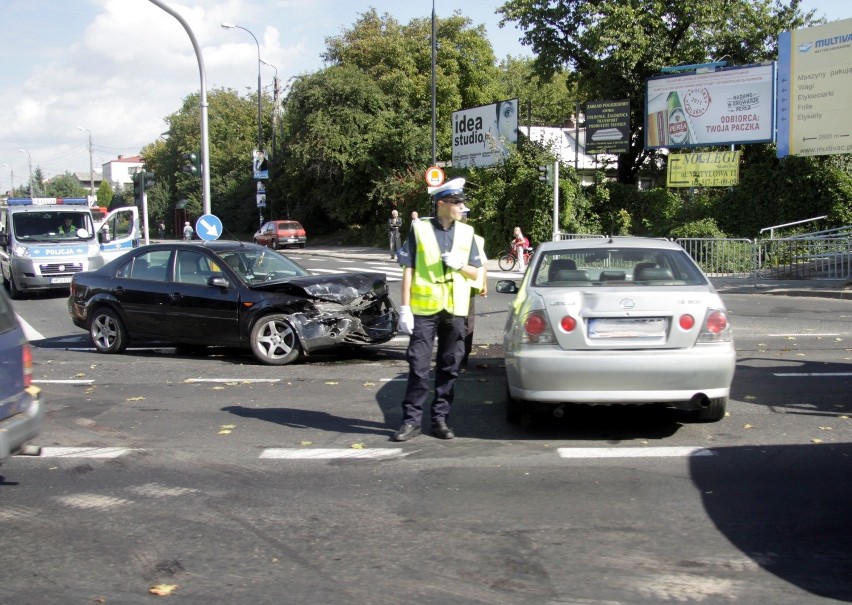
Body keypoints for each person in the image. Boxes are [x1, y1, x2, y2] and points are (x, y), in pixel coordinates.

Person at [394, 177, 482, 442]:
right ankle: (411, 421)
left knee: (449, 366)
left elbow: (475, 272)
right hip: (424, 310)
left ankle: (440, 420)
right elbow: (408, 268)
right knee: (418, 366)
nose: (462, 206)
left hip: (455, 310)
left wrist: (459, 265)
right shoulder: (419, 229)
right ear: (441, 203)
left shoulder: (467, 233)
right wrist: (405, 308)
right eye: (457, 202)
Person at [462, 210, 487, 366]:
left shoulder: (449, 235)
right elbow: (483, 264)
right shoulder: (476, 238)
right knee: (468, 321)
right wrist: (484, 284)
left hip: (453, 284)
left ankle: (454, 353)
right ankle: (464, 353)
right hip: (470, 285)